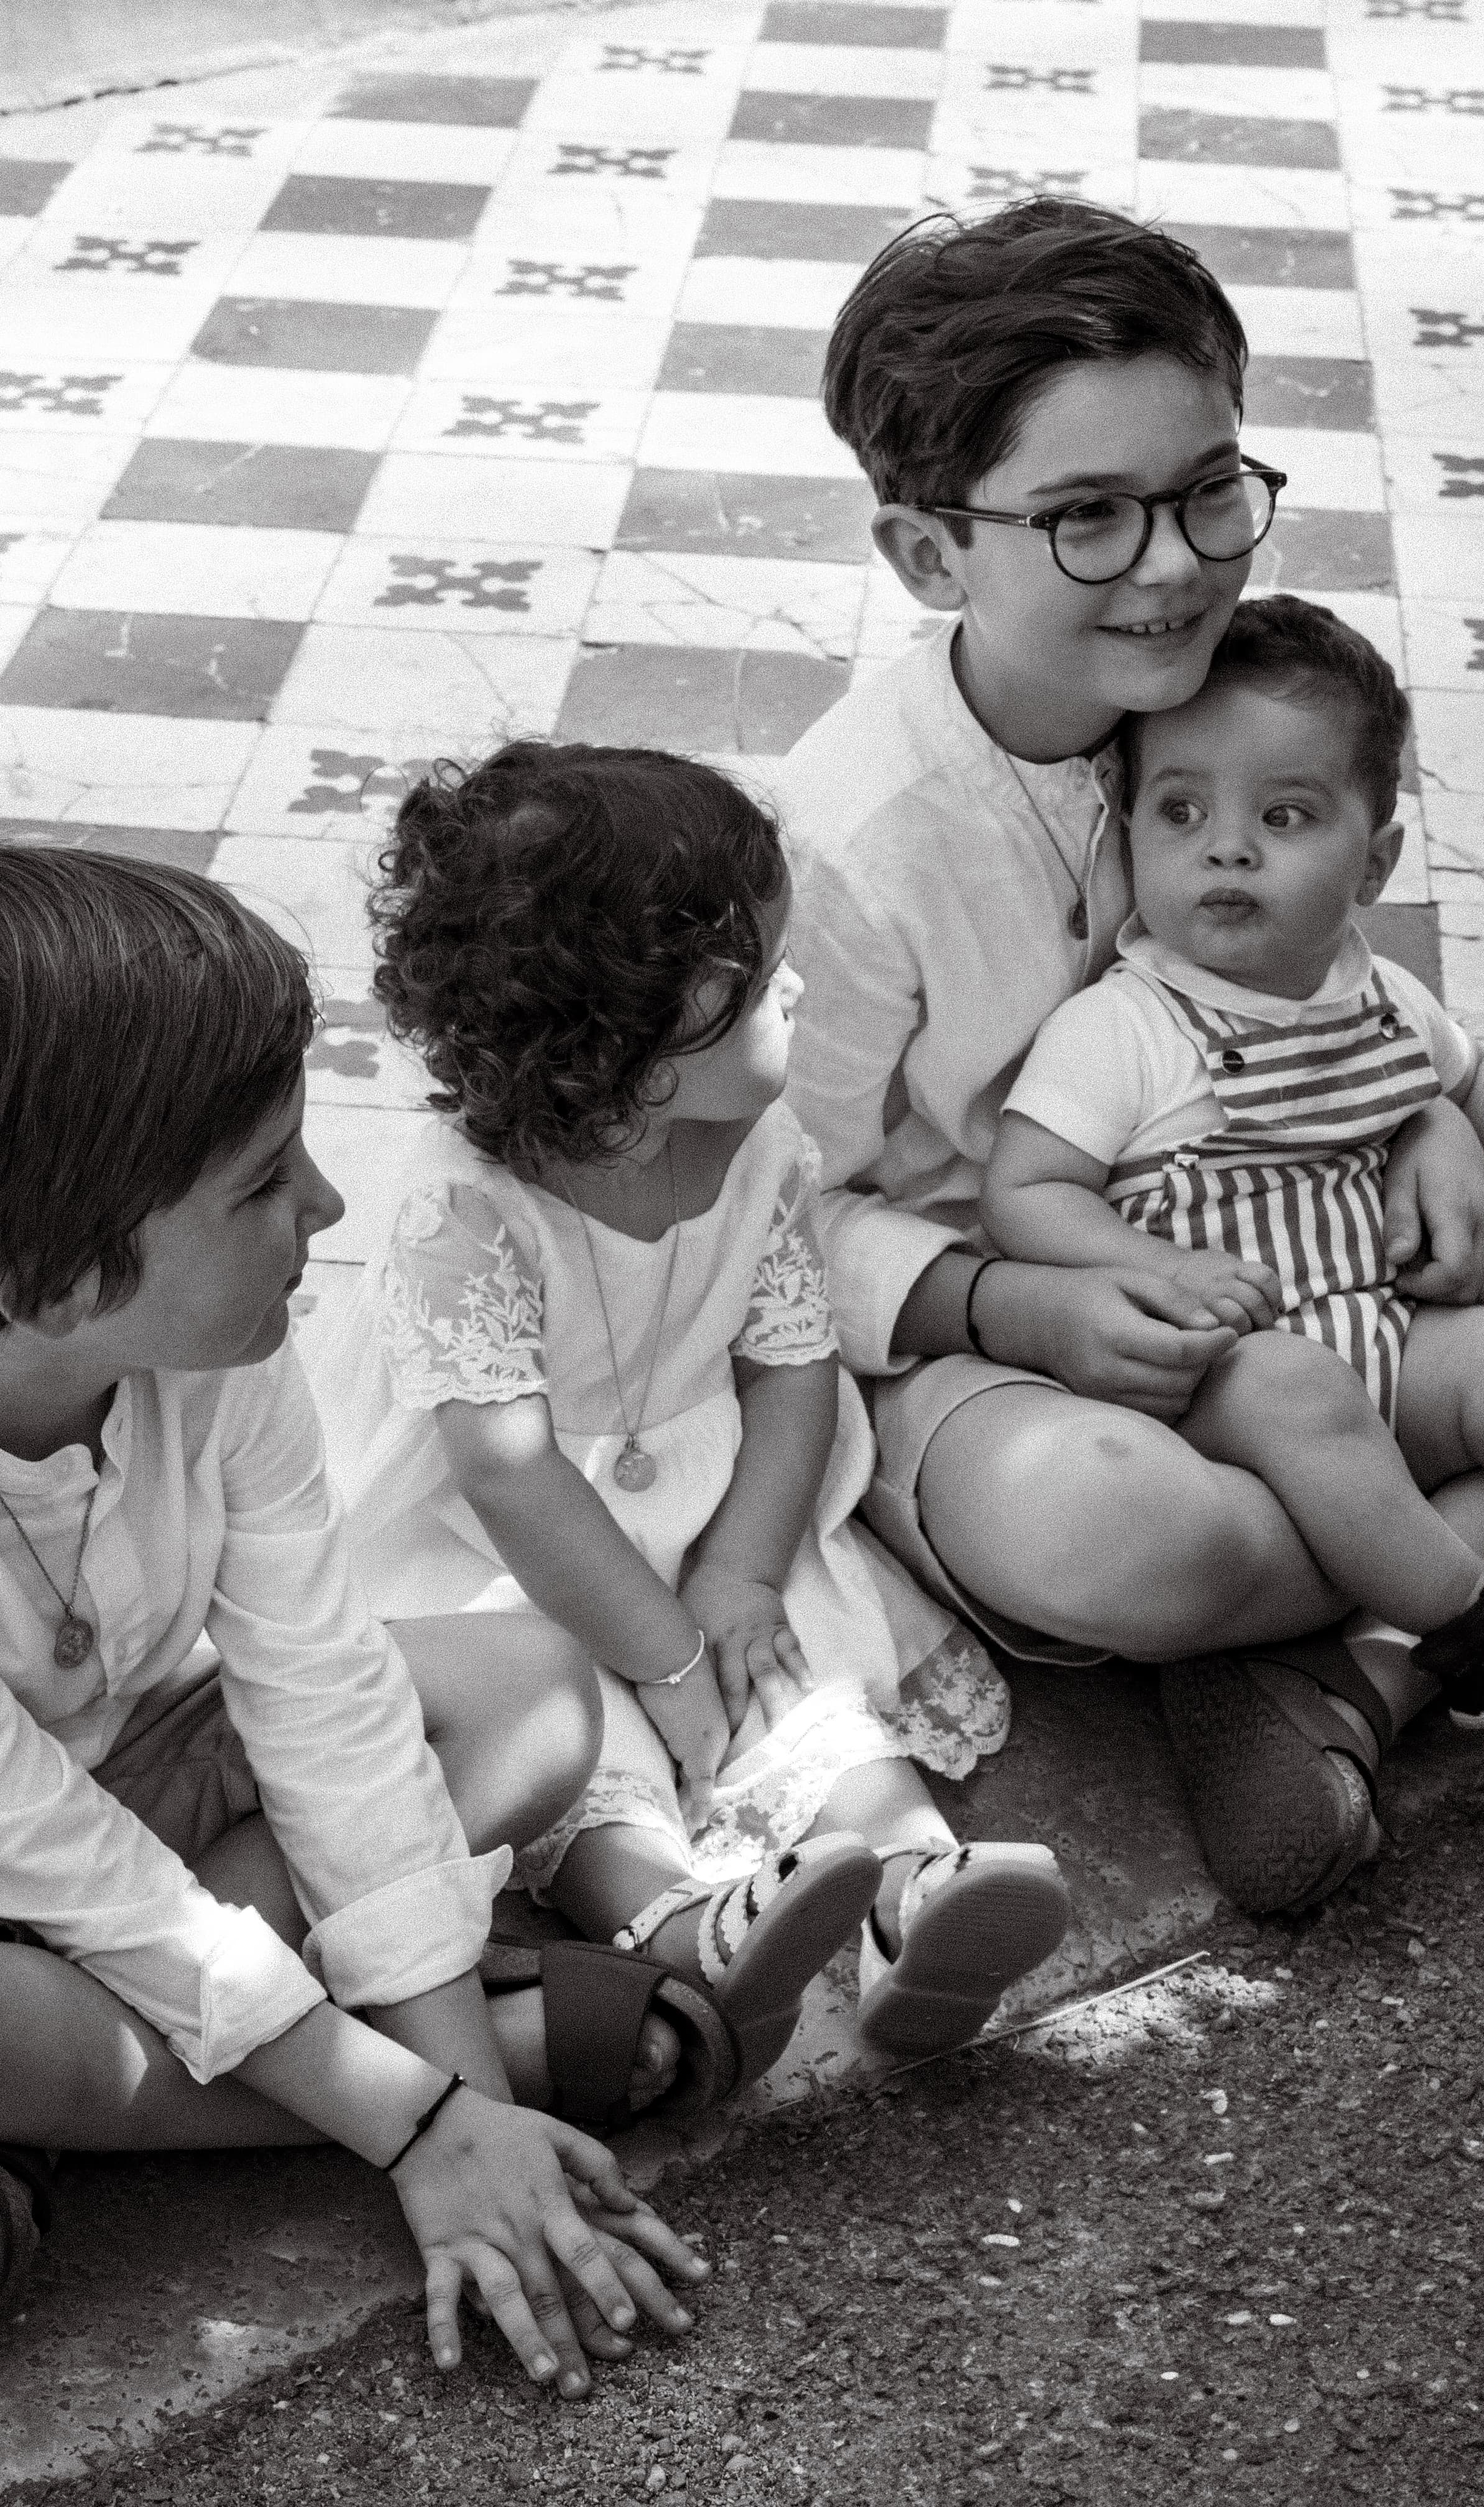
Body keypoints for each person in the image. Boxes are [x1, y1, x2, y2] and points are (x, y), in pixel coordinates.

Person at [770, 193, 1484, 1914]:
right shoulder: (848, 848)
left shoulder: (1202, 669)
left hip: (1317, 1229)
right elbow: (764, 1226)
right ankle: (1419, 1613)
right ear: (929, 556)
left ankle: (1354, 1649)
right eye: (1089, 519)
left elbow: (1312, 929)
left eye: (1205, 492)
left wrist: (1427, 1120)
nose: (1175, 560)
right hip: (1012, 1320)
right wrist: (1011, 1308)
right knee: (1124, 1533)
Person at [0, 849, 707, 2386]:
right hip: (47, 1873)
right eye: (263, 1184)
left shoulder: (230, 1352)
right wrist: (426, 2122)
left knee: (531, 1686)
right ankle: (162, 2085)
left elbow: (323, 1701)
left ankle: (70, 2132)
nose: (326, 1202)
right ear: (52, 1282)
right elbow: (76, 1872)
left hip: (120, 1804)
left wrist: (470, 2119)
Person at [305, 741, 1069, 2123]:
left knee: (796, 1673)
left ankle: (915, 1881)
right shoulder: (462, 1212)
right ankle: (673, 1922)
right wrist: (657, 1650)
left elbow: (792, 1370)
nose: (794, 989)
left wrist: (740, 1573)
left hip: (714, 1502)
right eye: (762, 976)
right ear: (643, 1053)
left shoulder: (762, 1153)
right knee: (582, 1740)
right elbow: (506, 1472)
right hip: (512, 1558)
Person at [981, 593, 1484, 1736]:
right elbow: (1024, 1189)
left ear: (1376, 861)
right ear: (1128, 828)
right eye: (1182, 810)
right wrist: (1148, 1265)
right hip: (1222, 1372)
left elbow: (1471, 1077)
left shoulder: (1377, 990)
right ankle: (1464, 1626)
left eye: (1287, 815)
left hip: (1385, 1328)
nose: (1228, 846)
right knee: (1298, 1389)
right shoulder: (1127, 1025)